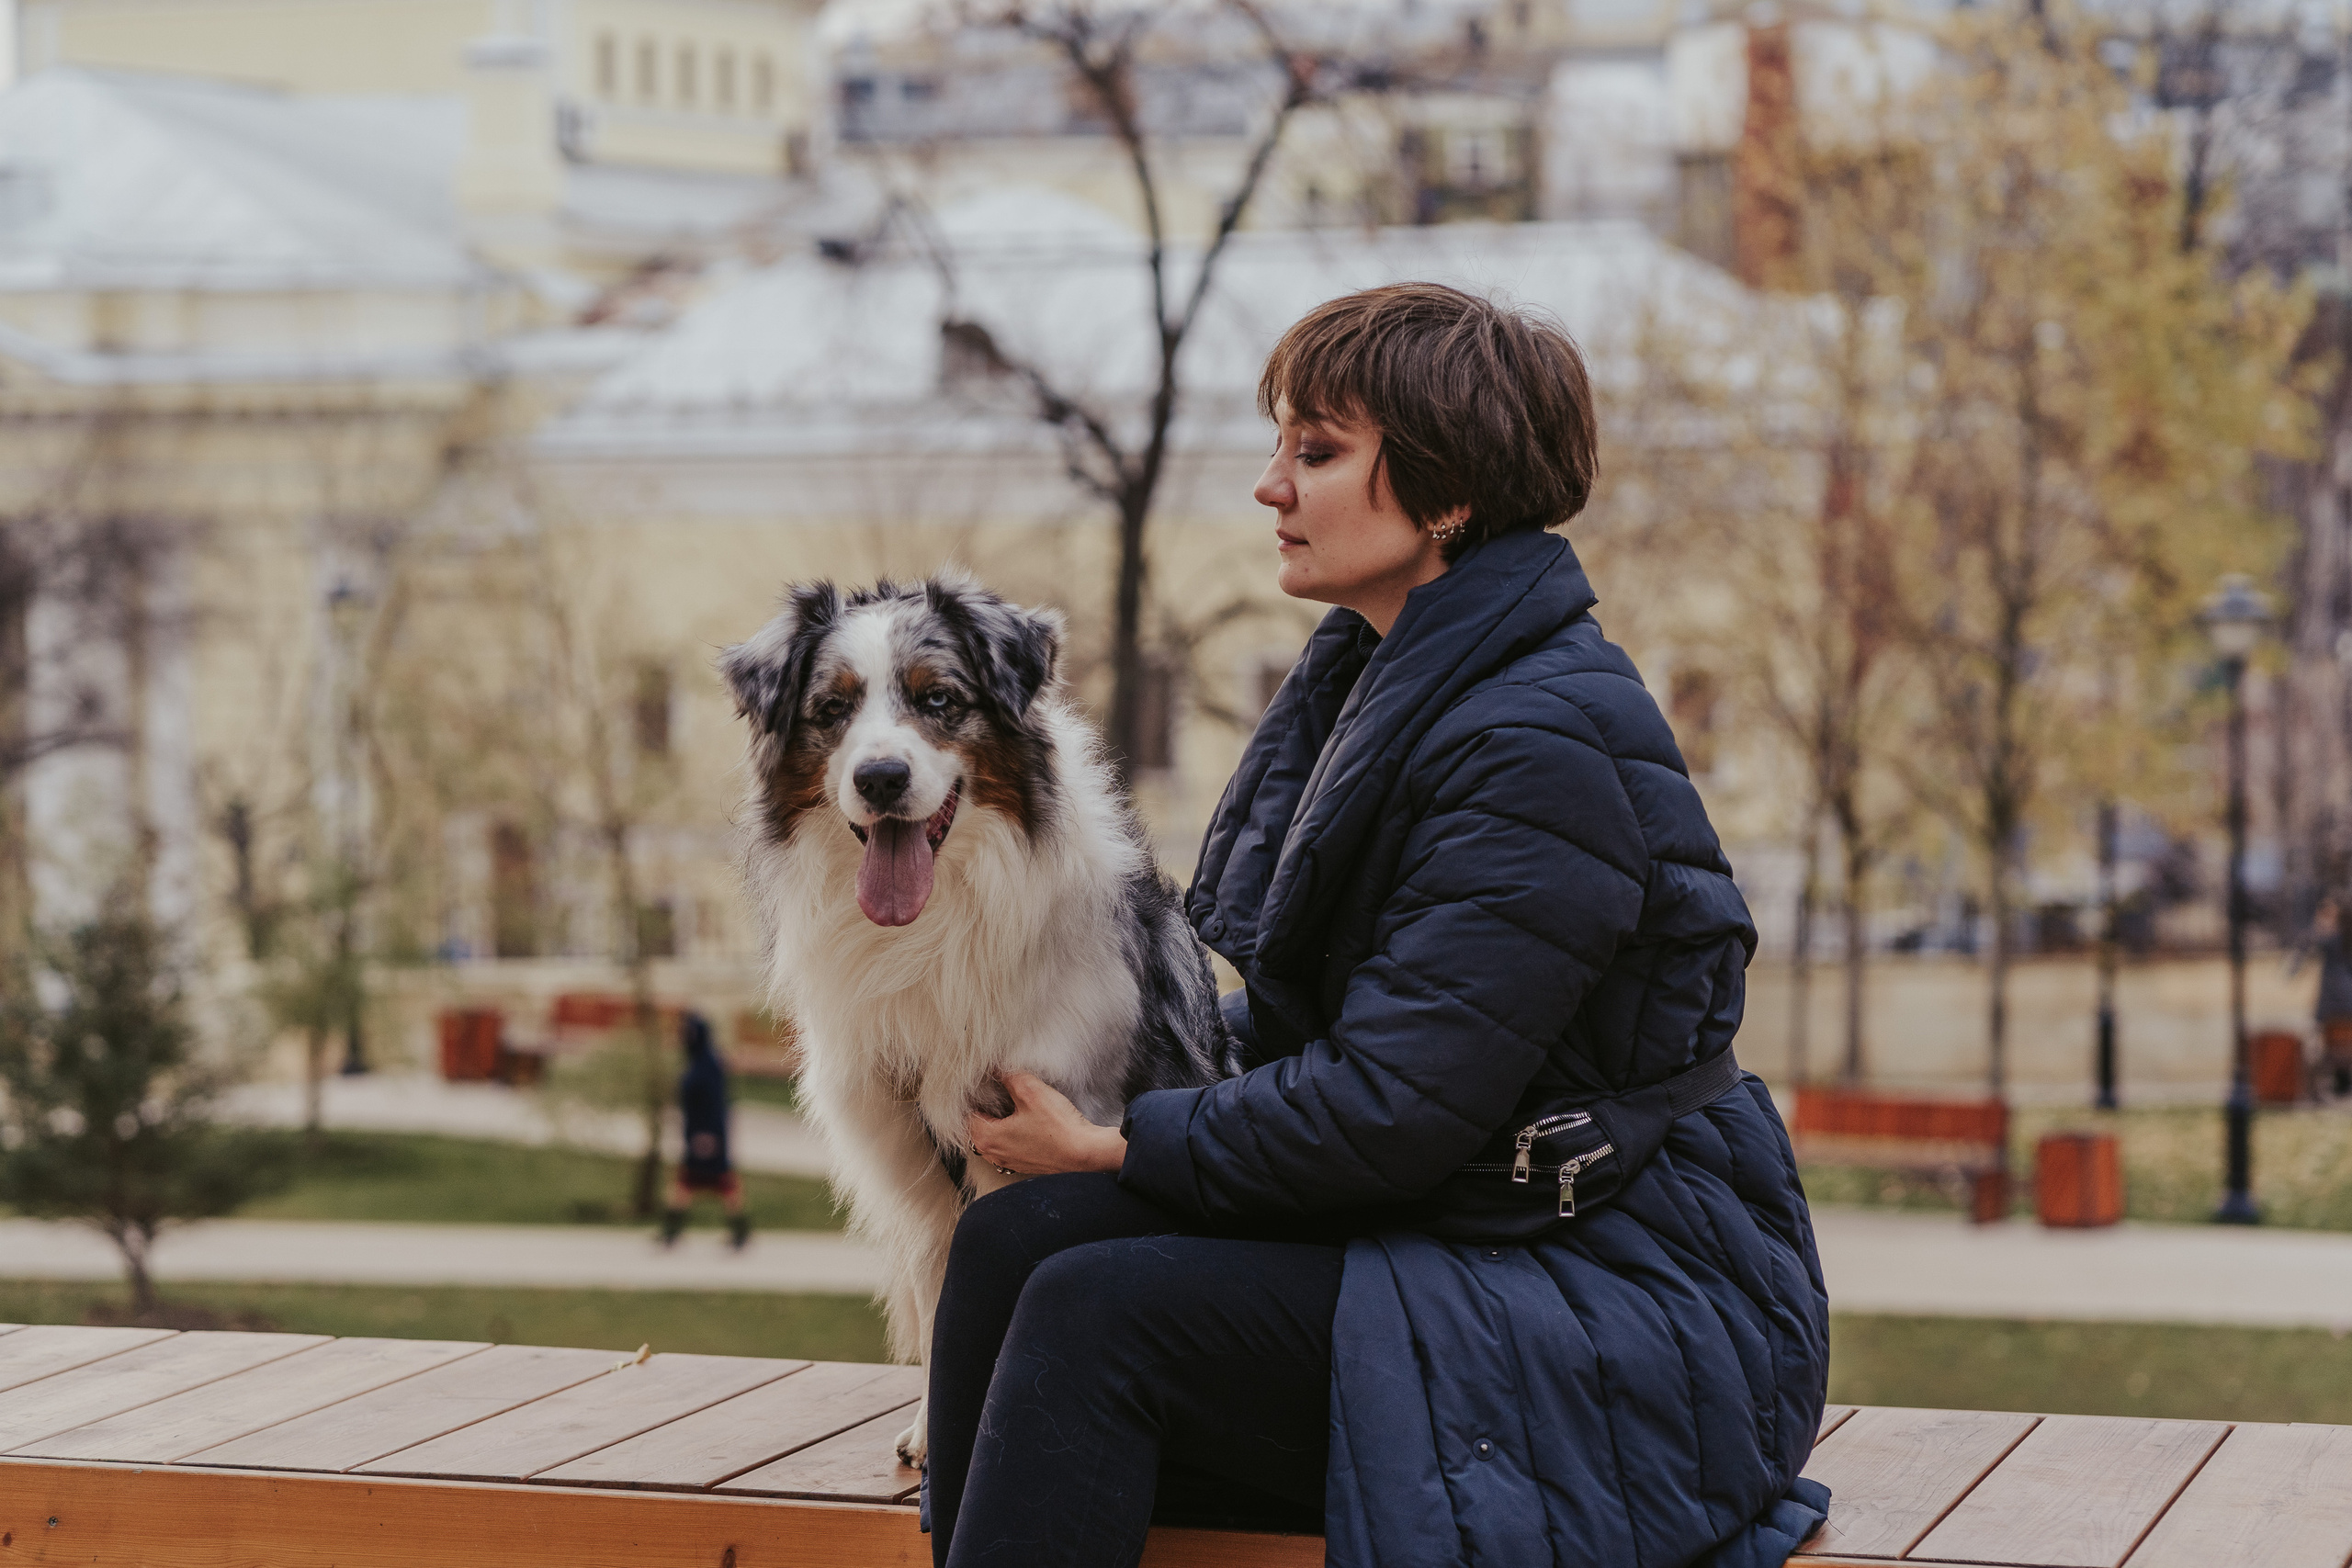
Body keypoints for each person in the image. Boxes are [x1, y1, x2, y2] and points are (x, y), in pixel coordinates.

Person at [934, 283, 1831, 1568]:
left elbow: (1388, 1107)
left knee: (1098, 1308)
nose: (1270, 488)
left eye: (1317, 452)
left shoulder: (1533, 741)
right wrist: (1096, 1057)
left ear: (1450, 493)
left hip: (1633, 1302)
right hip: (1485, 1229)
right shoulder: (1387, 678)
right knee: (1017, 1239)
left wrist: (1117, 1137)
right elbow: (1362, 1026)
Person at [661, 1011, 750, 1250]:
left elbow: (714, 1105)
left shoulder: (708, 1065)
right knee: (688, 1182)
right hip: (698, 1133)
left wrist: (707, 1137)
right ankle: (672, 1231)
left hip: (707, 1136)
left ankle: (739, 1231)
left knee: (721, 1181)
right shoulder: (699, 1060)